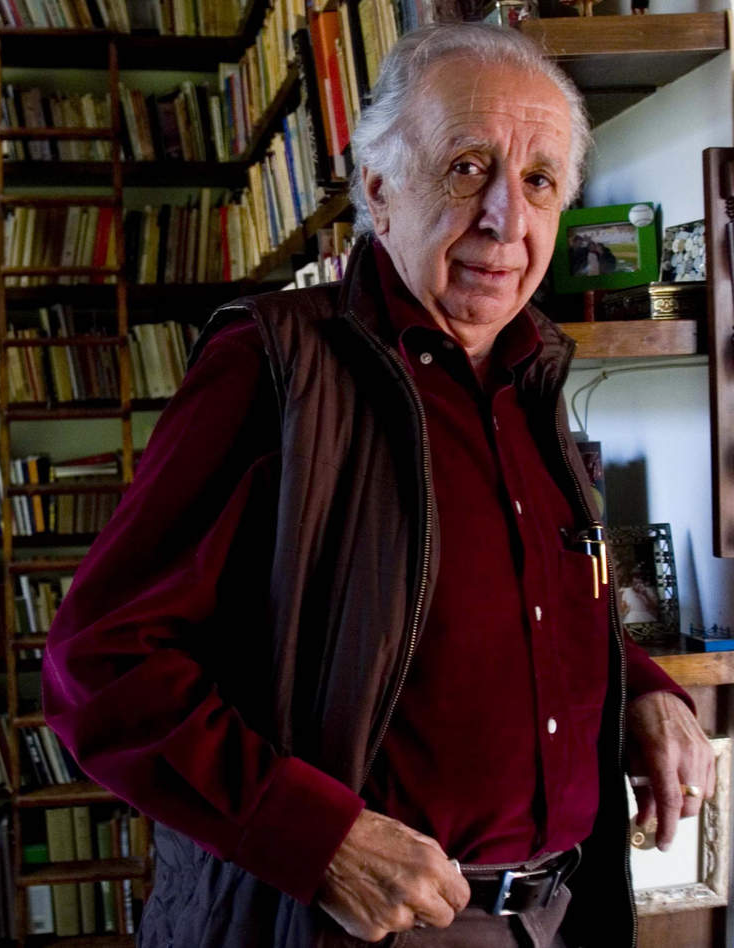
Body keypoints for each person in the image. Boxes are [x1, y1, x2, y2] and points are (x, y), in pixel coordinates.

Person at [40, 22, 714, 948]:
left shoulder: (530, 373)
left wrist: (643, 687)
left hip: (557, 914)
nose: (505, 220)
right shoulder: (276, 364)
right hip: (355, 925)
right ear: (380, 190)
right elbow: (100, 666)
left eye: (540, 181)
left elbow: (529, 611)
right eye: (468, 168)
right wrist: (317, 840)